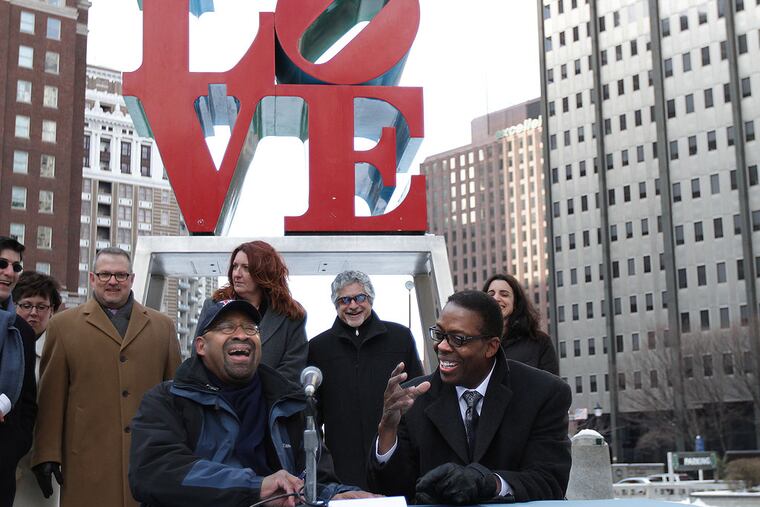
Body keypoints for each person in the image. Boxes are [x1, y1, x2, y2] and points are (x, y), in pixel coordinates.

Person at [129, 299, 376, 506]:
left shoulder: (290, 403)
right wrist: (256, 486)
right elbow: (153, 473)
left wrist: (336, 495)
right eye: (226, 327)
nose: (241, 335)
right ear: (201, 346)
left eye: (251, 328)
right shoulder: (167, 400)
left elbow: (314, 478)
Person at [368, 290, 571, 504]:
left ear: (491, 347)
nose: (442, 347)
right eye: (439, 334)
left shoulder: (544, 392)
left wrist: (490, 482)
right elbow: (391, 492)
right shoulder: (411, 397)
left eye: (458, 339)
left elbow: (549, 482)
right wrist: (387, 432)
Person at [31, 247, 181, 507]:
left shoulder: (163, 326)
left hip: (147, 460)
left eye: (121, 275)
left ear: (132, 279)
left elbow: (176, 396)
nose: (113, 281)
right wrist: (47, 453)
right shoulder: (63, 326)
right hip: (85, 461)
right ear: (92, 278)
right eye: (105, 274)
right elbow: (51, 397)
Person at [308, 270, 423, 489]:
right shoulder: (318, 347)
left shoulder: (400, 337)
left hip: (393, 454)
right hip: (342, 464)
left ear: (370, 299)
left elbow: (416, 397)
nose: (353, 305)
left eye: (359, 297)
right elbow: (314, 414)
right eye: (344, 300)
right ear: (336, 304)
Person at [199, 240, 307, 385]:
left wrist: (257, 395)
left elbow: (293, 369)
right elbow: (199, 359)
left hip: (269, 401)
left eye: (246, 268)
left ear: (264, 272)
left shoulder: (291, 315)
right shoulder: (213, 306)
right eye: (235, 266)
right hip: (218, 400)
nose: (236, 274)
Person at [12, 271, 63, 506]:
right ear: (14, 305)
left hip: (41, 463)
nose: (33, 313)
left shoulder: (60, 355)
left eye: (41, 307)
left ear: (52, 310)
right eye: (26, 305)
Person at [0, 237, 36, 507]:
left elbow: (27, 402)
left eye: (16, 266)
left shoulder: (22, 331)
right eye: (2, 264)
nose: (9, 272)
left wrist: (13, 449)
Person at [483, 273, 559, 375]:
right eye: (491, 294)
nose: (496, 298)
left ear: (515, 303)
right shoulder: (475, 342)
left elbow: (552, 387)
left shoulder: (540, 341)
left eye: (504, 294)